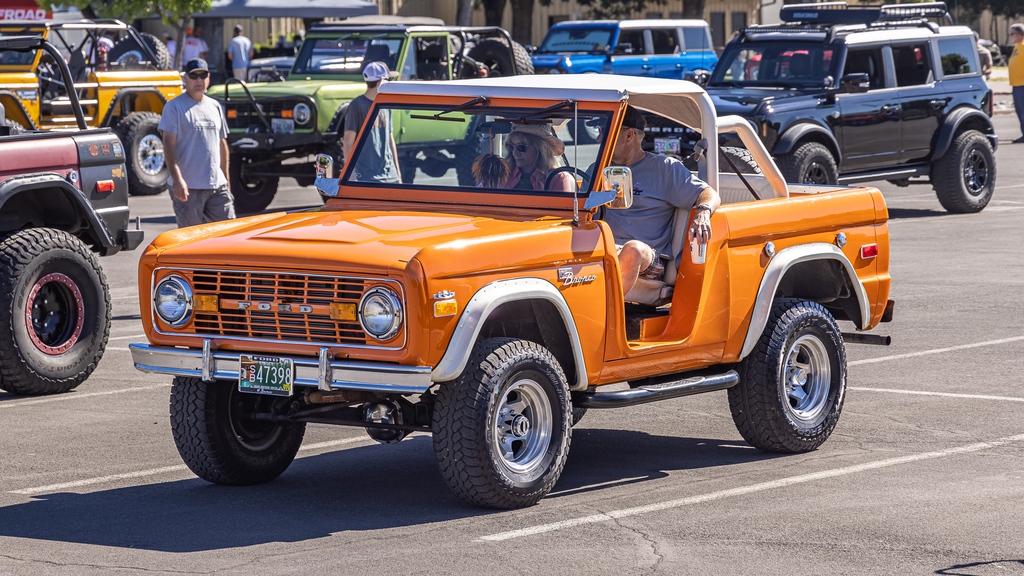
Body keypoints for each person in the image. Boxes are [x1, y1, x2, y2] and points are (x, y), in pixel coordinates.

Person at [603, 105, 721, 294]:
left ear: (629, 135)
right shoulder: (601, 169)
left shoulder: (664, 168)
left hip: (648, 256)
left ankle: (603, 309)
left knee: (633, 250)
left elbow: (708, 193)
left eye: (606, 132)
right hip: (606, 248)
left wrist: (703, 213)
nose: (599, 139)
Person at [158, 59, 236, 227]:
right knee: (191, 238)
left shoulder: (215, 106)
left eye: (203, 75)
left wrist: (226, 180)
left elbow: (222, 144)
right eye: (194, 76)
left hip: (217, 186)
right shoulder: (173, 107)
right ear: (185, 78)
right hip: (188, 187)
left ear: (208, 78)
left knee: (229, 233)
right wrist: (177, 179)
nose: (199, 80)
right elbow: (168, 145)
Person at [343, 61, 401, 183]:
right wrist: (351, 175)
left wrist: (398, 173)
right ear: (380, 82)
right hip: (366, 178)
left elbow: (390, 140)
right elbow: (348, 143)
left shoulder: (386, 104)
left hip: (390, 176)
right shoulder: (356, 105)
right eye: (388, 80)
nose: (390, 83)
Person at [500, 124, 575, 192]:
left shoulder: (558, 178)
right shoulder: (502, 173)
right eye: (511, 146)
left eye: (521, 147)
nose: (515, 153)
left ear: (540, 148)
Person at [1010, 24, 1024, 143]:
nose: (1011, 36)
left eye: (1012, 34)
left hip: (1022, 84)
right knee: (1020, 111)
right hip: (1016, 84)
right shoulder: (1017, 46)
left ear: (1019, 34)